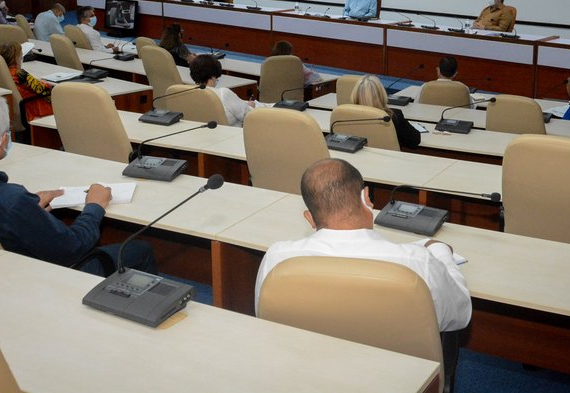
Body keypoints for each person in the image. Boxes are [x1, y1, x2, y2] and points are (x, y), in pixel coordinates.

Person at [0, 88, 156, 276]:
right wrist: (95, 206)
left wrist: (30, 210)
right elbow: (74, 247)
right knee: (141, 250)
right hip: (33, 278)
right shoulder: (11, 202)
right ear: (1, 142)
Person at [254, 158, 472, 332]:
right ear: (366, 198)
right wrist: (441, 251)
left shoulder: (277, 258)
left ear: (310, 218)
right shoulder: (417, 262)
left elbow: (263, 314)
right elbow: (458, 316)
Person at [190, 54, 265, 126]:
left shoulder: (188, 93)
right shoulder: (223, 93)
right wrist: (251, 106)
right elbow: (249, 116)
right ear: (213, 77)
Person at [351, 74, 420, 149]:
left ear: (355, 95)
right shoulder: (393, 116)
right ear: (381, 94)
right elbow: (414, 141)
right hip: (388, 159)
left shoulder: (345, 116)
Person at [0, 41, 54, 121]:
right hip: (35, 108)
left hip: (17, 109)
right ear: (16, 57)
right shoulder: (19, 74)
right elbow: (43, 89)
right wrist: (46, 84)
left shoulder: (2, 72)